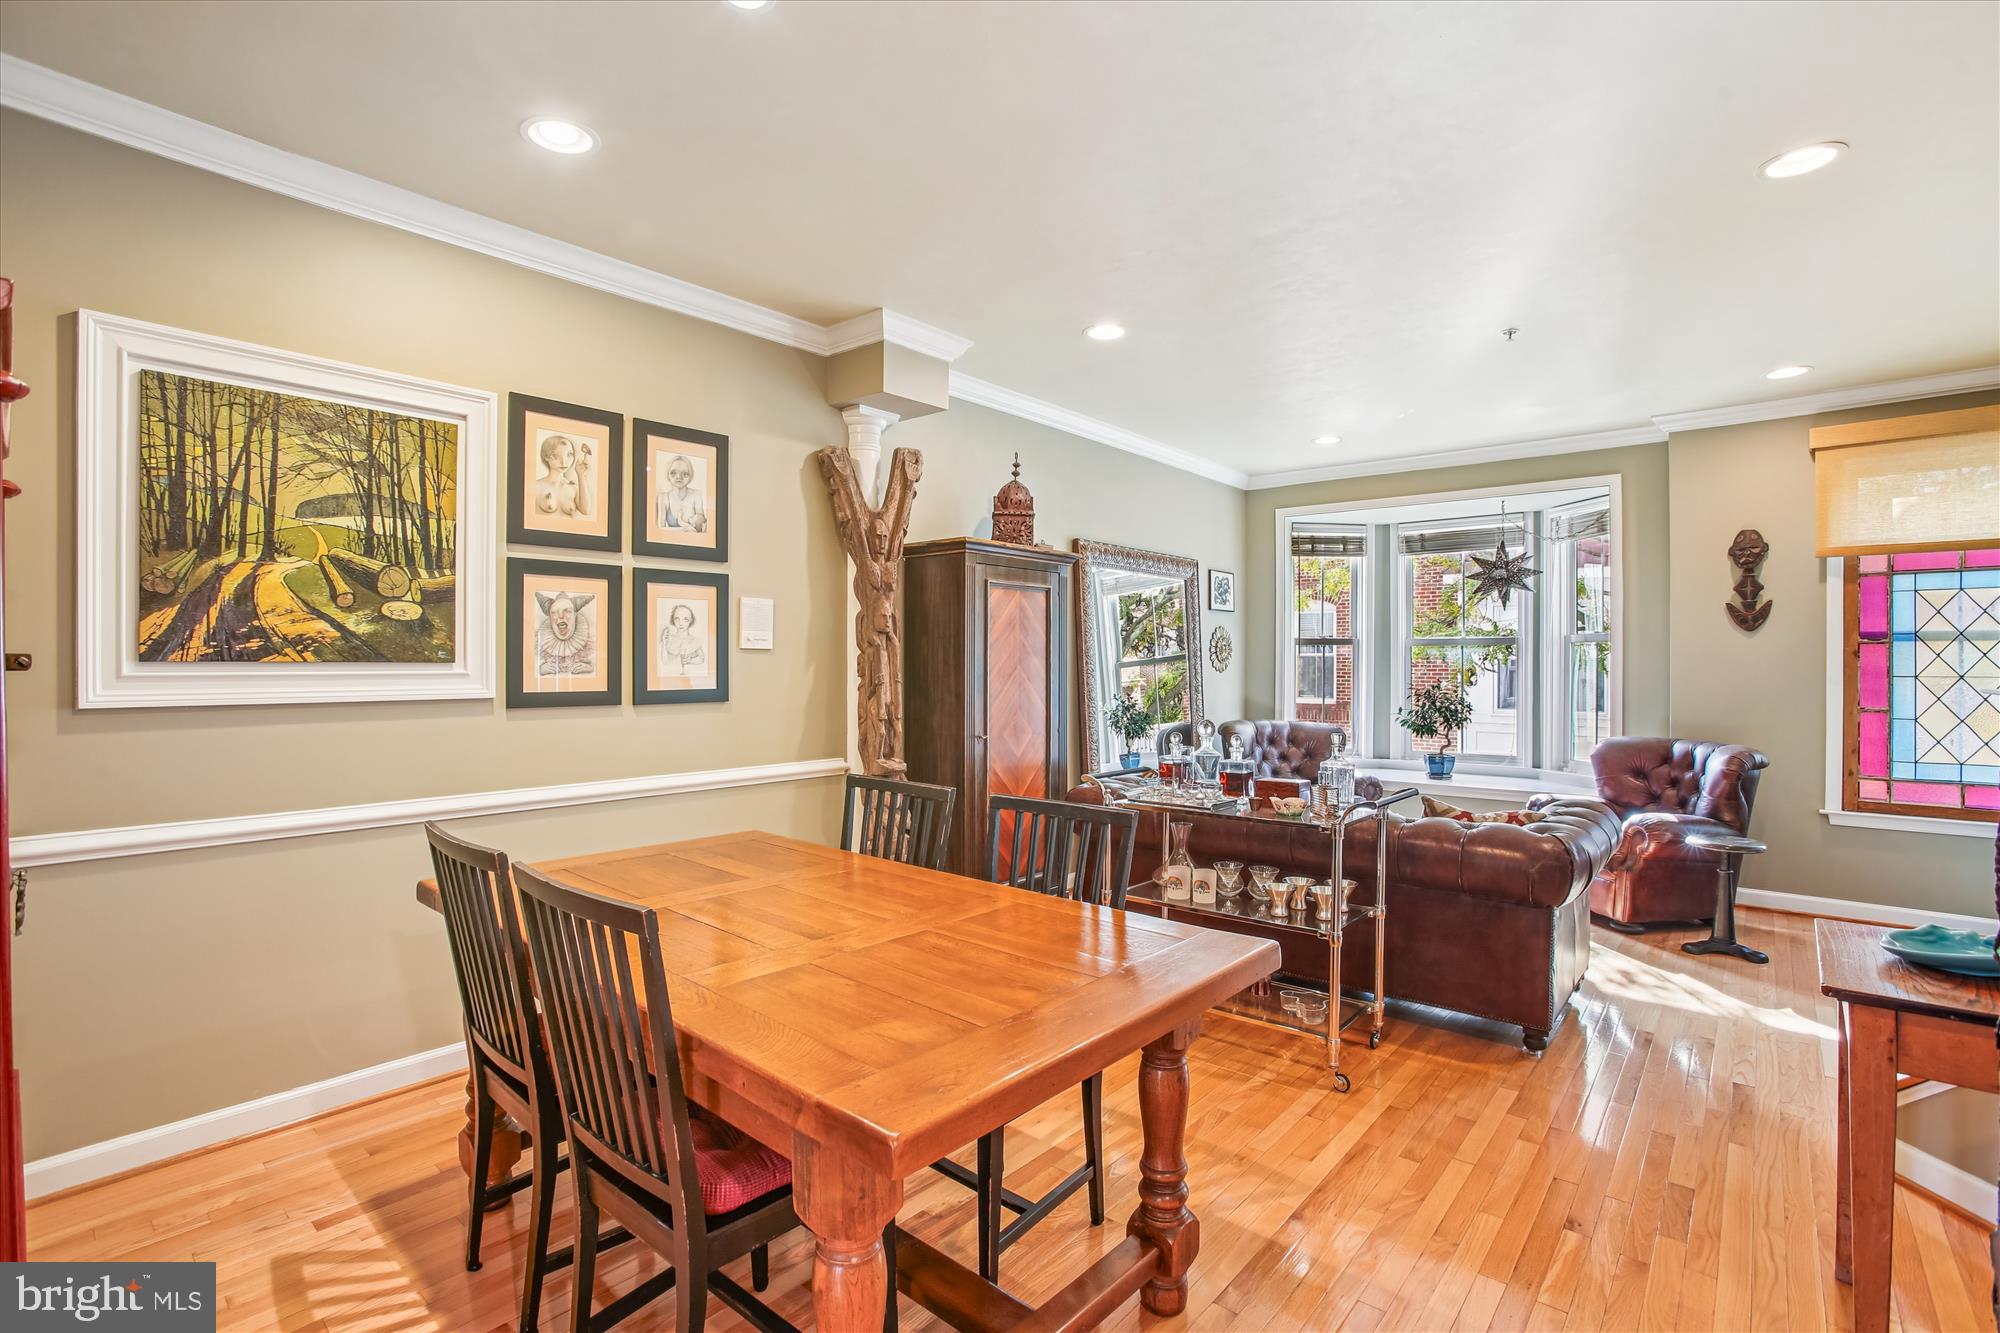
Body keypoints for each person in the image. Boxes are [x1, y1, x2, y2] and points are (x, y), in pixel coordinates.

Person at [534, 433, 593, 518]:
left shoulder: (574, 488)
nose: (564, 462)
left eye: (569, 455)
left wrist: (581, 475)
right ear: (545, 456)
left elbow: (586, 511)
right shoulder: (536, 486)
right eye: (555, 455)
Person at [656, 453, 706, 533]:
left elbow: (702, 526)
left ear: (690, 476)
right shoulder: (663, 497)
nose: (679, 477)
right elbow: (660, 529)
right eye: (673, 473)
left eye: (685, 474)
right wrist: (684, 530)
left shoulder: (696, 495)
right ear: (668, 475)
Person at [659, 602, 705, 674]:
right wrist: (664, 644)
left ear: (691, 620)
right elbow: (664, 661)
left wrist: (691, 661)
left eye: (685, 619)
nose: (681, 623)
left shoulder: (694, 640)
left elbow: (702, 659)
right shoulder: (668, 638)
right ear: (673, 620)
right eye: (677, 619)